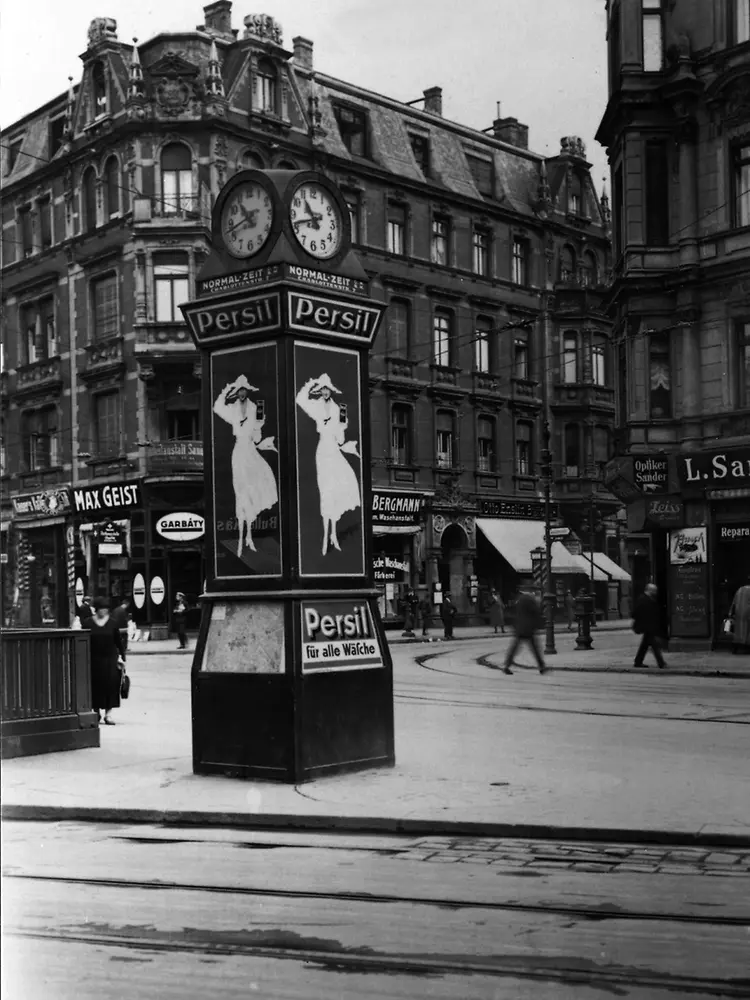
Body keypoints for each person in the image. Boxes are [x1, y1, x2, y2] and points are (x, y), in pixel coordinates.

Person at [213, 374, 278, 557]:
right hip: (239, 451)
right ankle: (242, 538)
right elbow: (217, 407)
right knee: (240, 494)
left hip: (250, 449)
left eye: (244, 390)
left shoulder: (254, 408)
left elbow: (257, 437)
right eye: (239, 390)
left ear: (247, 391)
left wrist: (259, 425)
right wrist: (227, 389)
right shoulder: (232, 408)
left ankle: (249, 536)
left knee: (251, 492)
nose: (241, 393)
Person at [296, 374, 361, 556]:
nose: (325, 392)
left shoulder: (339, 409)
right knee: (325, 492)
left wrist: (341, 434)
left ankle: (333, 534)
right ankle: (326, 537)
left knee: (336, 490)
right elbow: (300, 399)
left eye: (327, 389)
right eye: (322, 389)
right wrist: (311, 383)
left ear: (331, 391)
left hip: (333, 449)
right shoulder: (316, 406)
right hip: (322, 450)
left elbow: (340, 437)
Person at [85, 597, 125, 725]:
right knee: (95, 686)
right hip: (93, 659)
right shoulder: (88, 623)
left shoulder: (113, 623)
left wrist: (122, 657)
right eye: (101, 609)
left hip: (110, 659)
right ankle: (96, 712)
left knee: (110, 686)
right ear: (96, 609)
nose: (104, 612)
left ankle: (108, 714)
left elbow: (118, 641)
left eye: (106, 609)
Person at [503, 589, 547, 675]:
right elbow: (536, 612)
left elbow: (515, 612)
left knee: (515, 648)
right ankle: (541, 666)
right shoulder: (529, 600)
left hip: (520, 627)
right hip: (528, 628)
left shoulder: (519, 600)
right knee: (535, 648)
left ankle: (507, 665)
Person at [632, 583, 667, 669]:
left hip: (648, 626)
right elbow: (635, 613)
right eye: (654, 590)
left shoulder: (647, 598)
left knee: (645, 645)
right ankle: (661, 663)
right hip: (646, 626)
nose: (655, 592)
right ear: (650, 590)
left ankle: (638, 661)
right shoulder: (643, 599)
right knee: (654, 645)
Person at [728, 580, 750, 654]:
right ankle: (747, 646)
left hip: (738, 612)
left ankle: (735, 648)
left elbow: (734, 601)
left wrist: (730, 612)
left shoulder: (739, 589)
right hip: (748, 613)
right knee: (747, 631)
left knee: (738, 631)